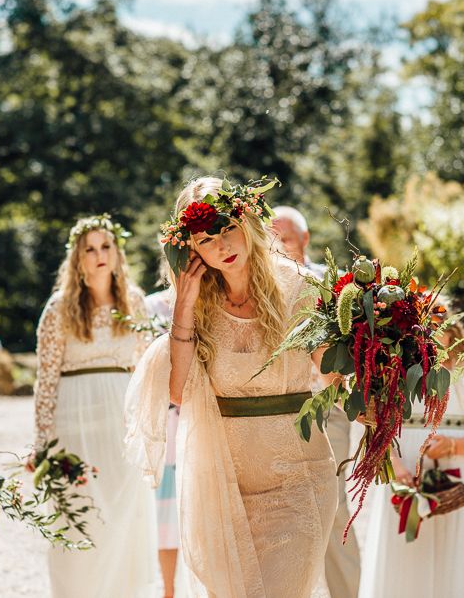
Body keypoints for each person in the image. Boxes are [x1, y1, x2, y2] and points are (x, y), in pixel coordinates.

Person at [125, 177, 338, 598]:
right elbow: (177, 392)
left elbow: (333, 373)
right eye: (206, 240)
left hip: (299, 477)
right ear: (191, 252)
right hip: (222, 486)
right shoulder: (194, 309)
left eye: (227, 228)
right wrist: (184, 303)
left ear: (246, 222)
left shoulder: (298, 287)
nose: (222, 245)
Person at [33, 214, 156, 598]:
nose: (100, 255)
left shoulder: (134, 302)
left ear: (117, 253)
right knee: (80, 515)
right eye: (90, 248)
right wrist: (43, 443)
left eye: (106, 246)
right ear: (78, 259)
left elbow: (144, 369)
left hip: (121, 426)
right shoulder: (59, 308)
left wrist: (148, 431)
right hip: (75, 425)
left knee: (125, 517)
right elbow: (46, 379)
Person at [358, 318, 464, 598]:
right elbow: (376, 430)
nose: (431, 336)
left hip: (458, 473)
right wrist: (395, 467)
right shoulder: (393, 369)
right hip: (404, 472)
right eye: (422, 329)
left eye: (438, 328)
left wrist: (453, 446)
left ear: (452, 332)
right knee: (406, 557)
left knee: (456, 554)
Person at [271, 206, 361, 598]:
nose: (277, 249)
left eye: (285, 240)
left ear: (305, 240)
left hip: (329, 410)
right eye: (270, 242)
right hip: (277, 414)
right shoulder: (263, 291)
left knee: (334, 505)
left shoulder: (333, 286)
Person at [144, 282, 182, 598]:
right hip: (166, 423)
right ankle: (168, 591)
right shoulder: (150, 308)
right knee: (167, 515)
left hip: (203, 418)